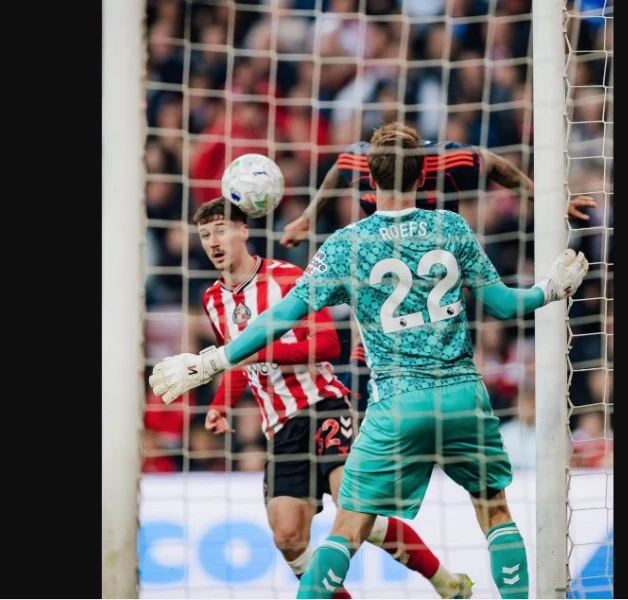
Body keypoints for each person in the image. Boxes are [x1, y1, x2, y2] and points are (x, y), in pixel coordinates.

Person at [150, 132, 589, 599]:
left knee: (348, 528)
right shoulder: (451, 227)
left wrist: (215, 359)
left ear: (368, 183)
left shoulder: (346, 245)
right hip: (463, 395)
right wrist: (551, 289)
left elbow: (279, 318)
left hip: (397, 404)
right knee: (495, 512)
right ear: (423, 176)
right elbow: (503, 305)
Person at [180, 196, 475, 599]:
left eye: (221, 230)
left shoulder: (288, 278)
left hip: (324, 406)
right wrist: (221, 404)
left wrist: (260, 350)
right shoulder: (212, 300)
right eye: (205, 234)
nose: (213, 241)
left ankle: (445, 581)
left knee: (353, 509)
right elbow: (236, 359)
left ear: (243, 231)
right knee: (287, 536)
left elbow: (328, 344)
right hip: (280, 426)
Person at [280, 121, 596, 417]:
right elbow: (339, 170)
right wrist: (308, 217)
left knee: (439, 350)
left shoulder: (449, 159)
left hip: (442, 271)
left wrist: (547, 200)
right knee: (369, 359)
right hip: (389, 267)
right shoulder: (361, 160)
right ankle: (384, 430)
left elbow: (498, 166)